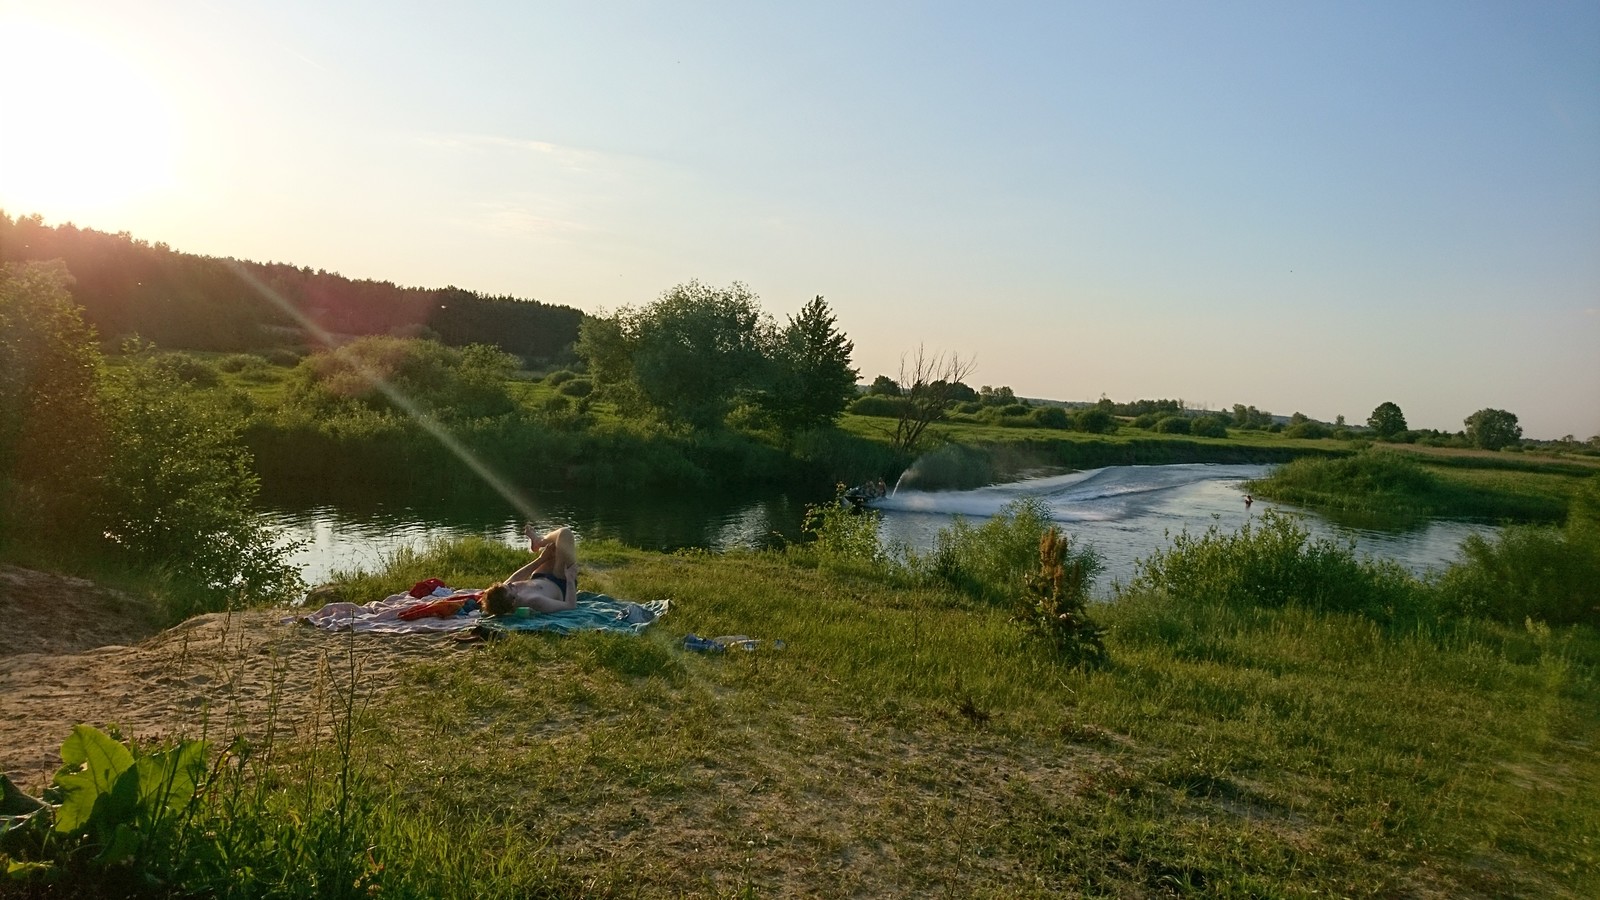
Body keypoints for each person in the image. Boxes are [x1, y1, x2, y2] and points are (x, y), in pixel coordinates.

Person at [482, 525, 578, 616]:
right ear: (513, 601)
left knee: (553, 547)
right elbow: (570, 606)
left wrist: (541, 559)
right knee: (565, 535)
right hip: (560, 582)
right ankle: (540, 541)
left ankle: (538, 541)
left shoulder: (504, 593)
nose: (510, 584)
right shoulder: (535, 601)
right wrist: (570, 579)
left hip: (540, 576)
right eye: (510, 588)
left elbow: (516, 577)